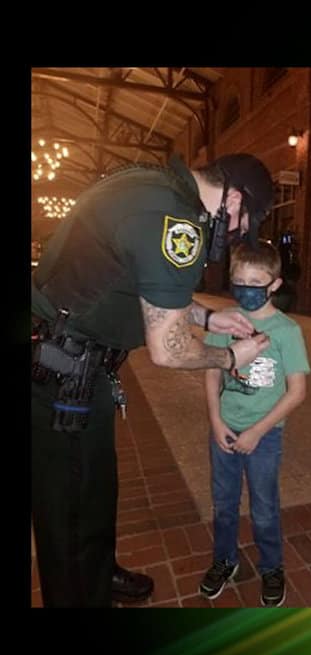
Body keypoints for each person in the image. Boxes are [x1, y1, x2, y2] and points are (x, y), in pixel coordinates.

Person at [31, 153, 275, 607]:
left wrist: (208, 317)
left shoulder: (158, 190)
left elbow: (144, 283)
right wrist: (229, 357)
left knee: (95, 492)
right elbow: (169, 350)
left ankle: (98, 572)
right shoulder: (176, 219)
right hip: (62, 376)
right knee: (69, 509)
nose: (237, 233)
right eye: (243, 222)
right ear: (234, 199)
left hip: (78, 370)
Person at [199, 241, 310, 606]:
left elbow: (297, 391)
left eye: (256, 282)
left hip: (265, 435)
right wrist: (216, 421)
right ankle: (224, 559)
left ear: (274, 284)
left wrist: (257, 431)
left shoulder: (286, 330)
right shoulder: (225, 321)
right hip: (224, 429)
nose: (246, 289)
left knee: (263, 507)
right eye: (240, 281)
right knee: (223, 503)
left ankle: (272, 567)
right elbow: (212, 372)